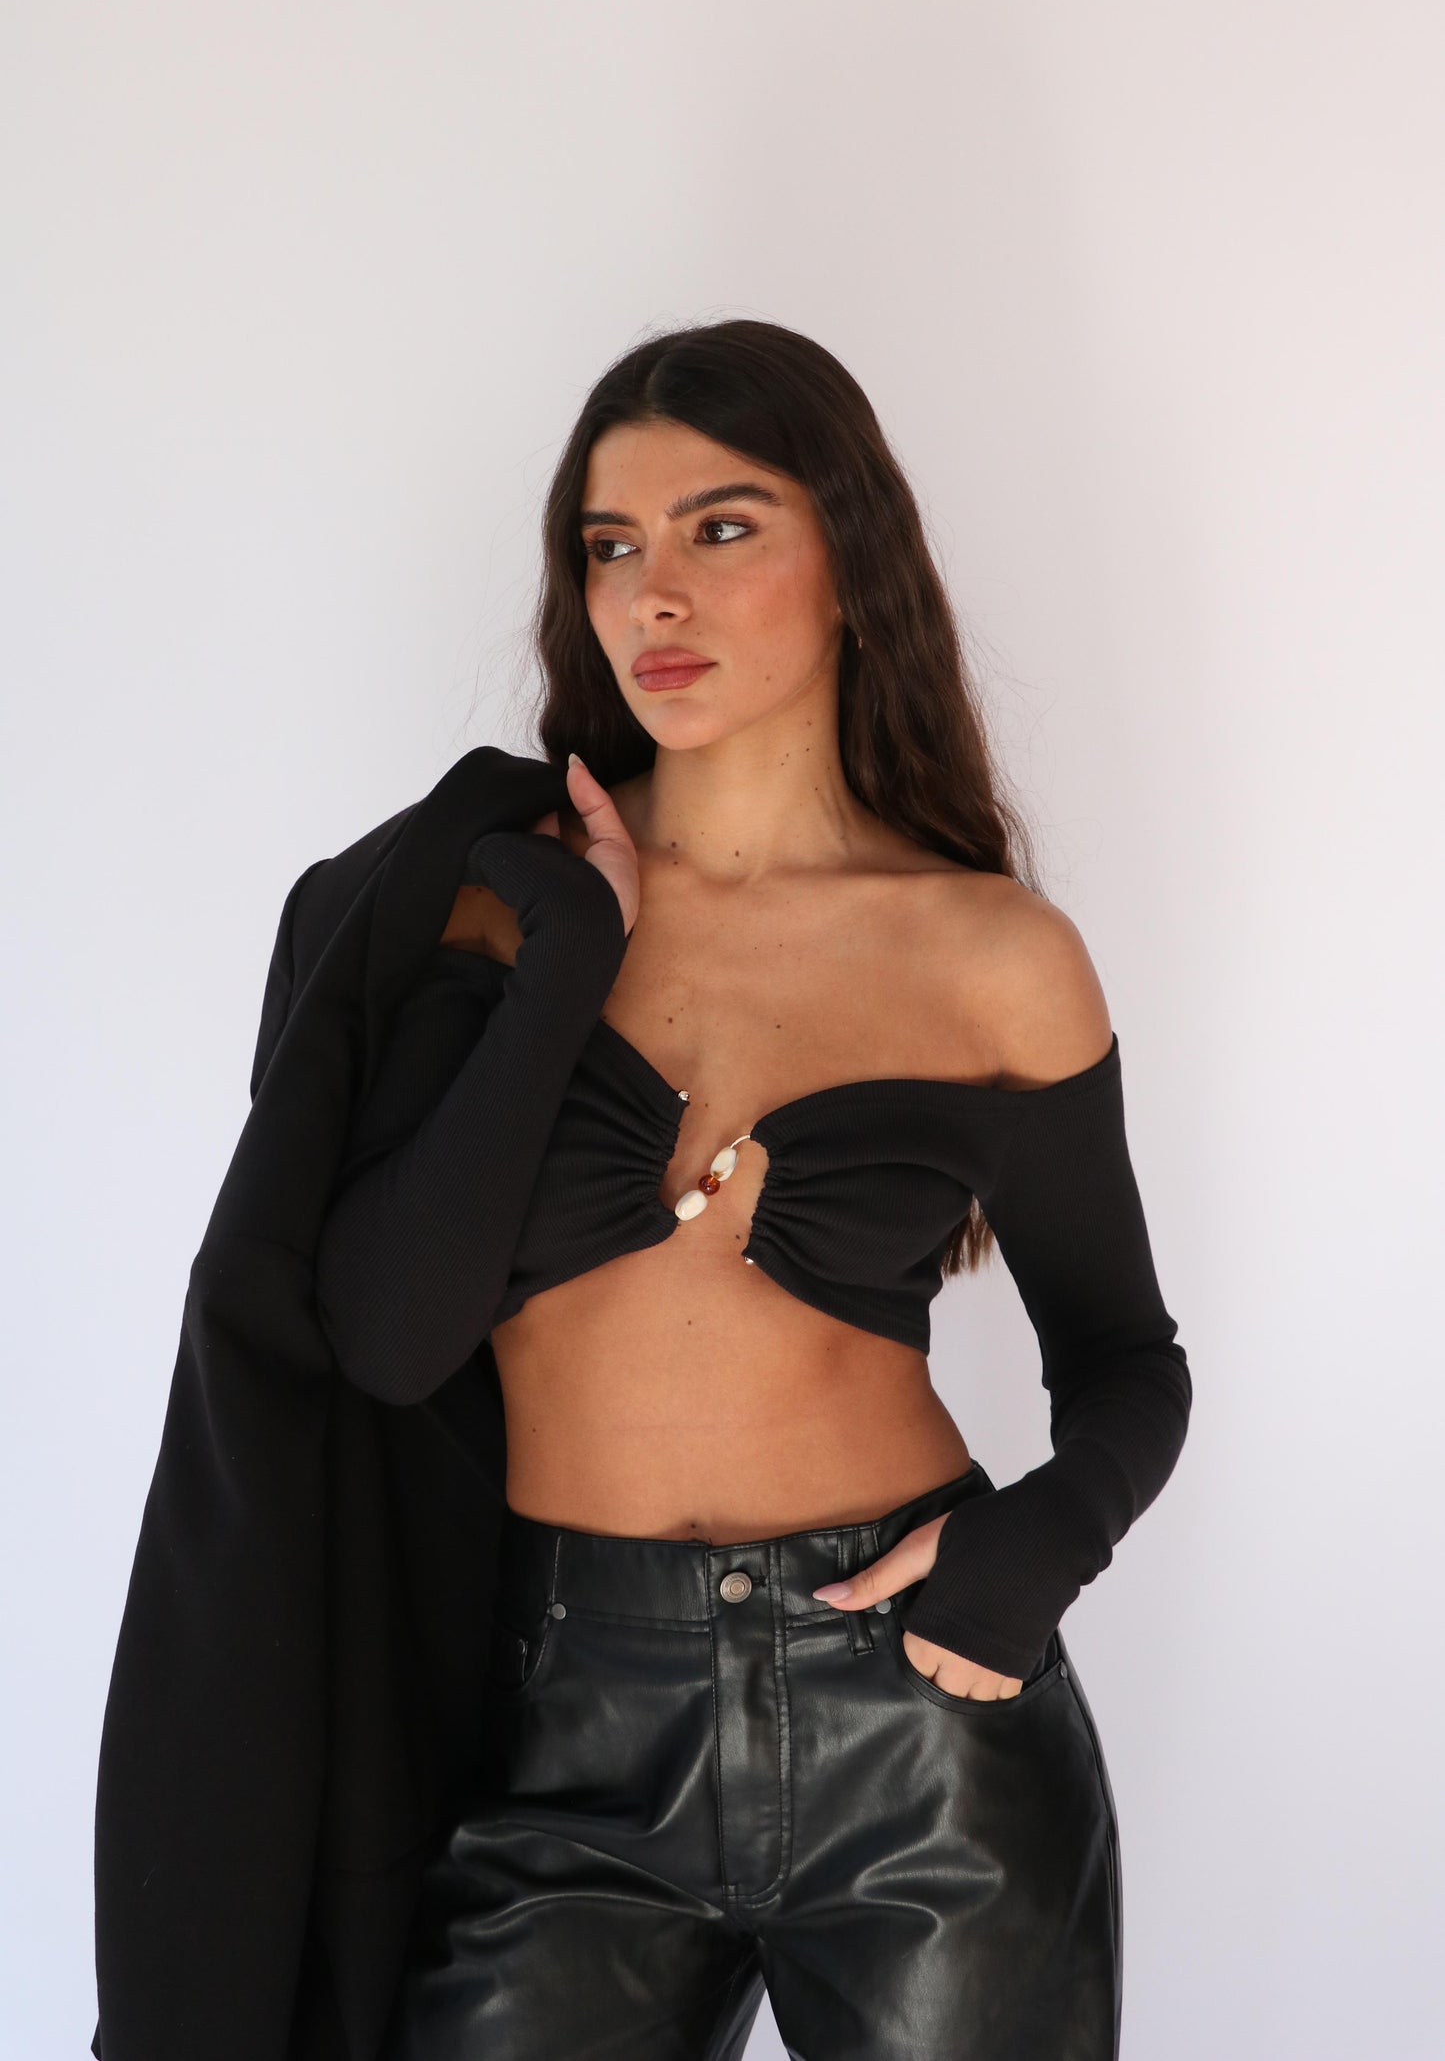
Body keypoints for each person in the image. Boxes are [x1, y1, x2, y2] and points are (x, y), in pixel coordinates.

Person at [91, 318, 1190, 2061]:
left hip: (921, 1732)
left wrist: (1034, 1549)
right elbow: (384, 1337)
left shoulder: (994, 955)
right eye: (610, 547)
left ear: (853, 560)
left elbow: (1128, 1361)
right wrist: (565, 967)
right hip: (560, 1742)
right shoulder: (470, 906)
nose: (652, 593)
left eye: (720, 527)